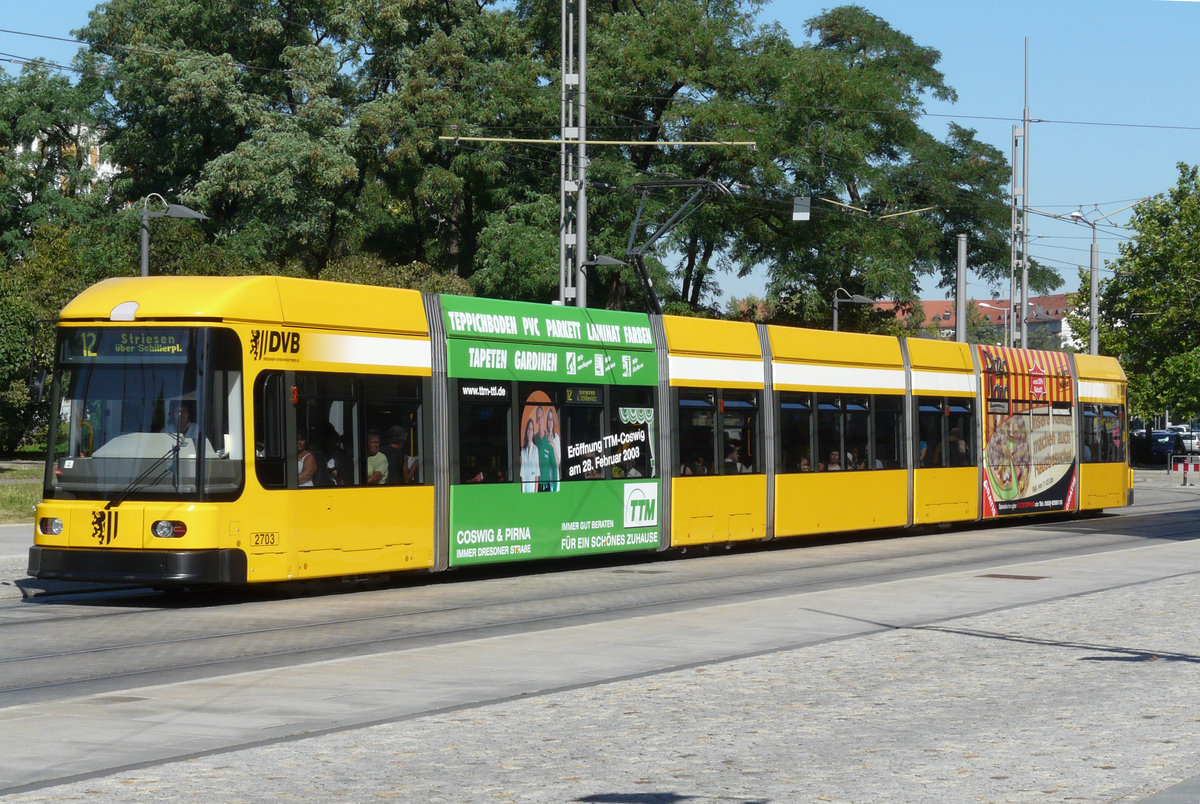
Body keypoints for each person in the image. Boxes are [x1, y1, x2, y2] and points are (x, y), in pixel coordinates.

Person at [538, 407, 561, 492]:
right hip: (546, 482)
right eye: (548, 419)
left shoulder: (557, 438)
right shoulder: (543, 438)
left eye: (552, 419)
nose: (550, 422)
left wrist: (553, 446)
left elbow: (557, 463)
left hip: (554, 480)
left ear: (554, 421)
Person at [519, 417, 540, 493]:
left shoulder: (535, 449)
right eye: (528, 428)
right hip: (525, 485)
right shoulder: (523, 450)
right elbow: (522, 473)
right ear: (526, 431)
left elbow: (537, 474)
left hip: (532, 485)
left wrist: (536, 491)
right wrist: (522, 489)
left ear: (533, 432)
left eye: (531, 429)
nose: (530, 431)